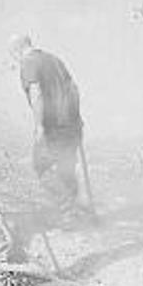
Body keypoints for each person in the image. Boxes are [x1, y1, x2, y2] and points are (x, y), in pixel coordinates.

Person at [8, 35, 84, 226]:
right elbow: (73, 89)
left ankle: (69, 210)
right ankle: (74, 209)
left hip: (53, 128)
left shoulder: (28, 62)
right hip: (71, 125)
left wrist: (39, 127)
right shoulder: (54, 59)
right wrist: (76, 117)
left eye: (13, 55)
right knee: (65, 167)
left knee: (42, 167)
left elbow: (37, 94)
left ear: (17, 51)